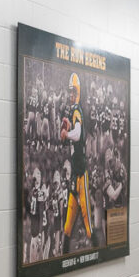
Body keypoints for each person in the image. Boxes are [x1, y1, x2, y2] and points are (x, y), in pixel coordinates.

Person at [61, 72, 91, 253]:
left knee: (85, 210)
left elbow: (78, 134)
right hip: (75, 169)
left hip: (81, 169)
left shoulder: (77, 110)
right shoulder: (73, 110)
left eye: (73, 92)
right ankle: (65, 241)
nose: (71, 95)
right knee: (71, 207)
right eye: (69, 92)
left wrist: (67, 133)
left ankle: (92, 239)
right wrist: (66, 131)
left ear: (78, 92)